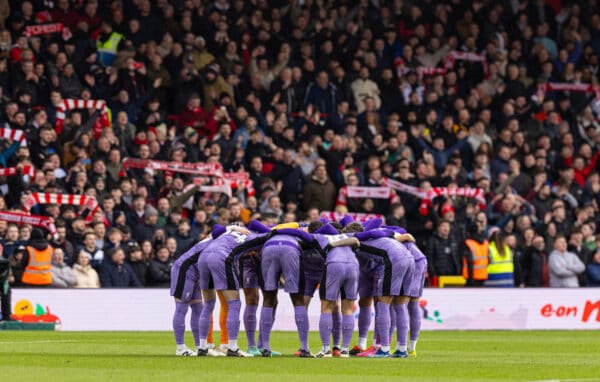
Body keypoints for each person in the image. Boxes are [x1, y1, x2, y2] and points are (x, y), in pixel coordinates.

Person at [462, 213, 489, 287]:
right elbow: (488, 260)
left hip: (471, 279)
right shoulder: (485, 243)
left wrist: (470, 280)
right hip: (483, 277)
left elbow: (470, 262)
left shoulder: (468, 243)